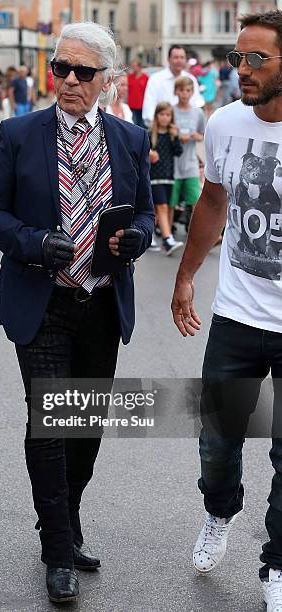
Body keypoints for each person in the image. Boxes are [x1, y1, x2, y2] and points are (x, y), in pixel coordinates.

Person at [0, 21, 154, 604]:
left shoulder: (129, 139)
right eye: (61, 69)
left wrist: (135, 240)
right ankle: (57, 550)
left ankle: (66, 518)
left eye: (83, 72)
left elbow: (146, 217)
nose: (70, 81)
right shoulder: (21, 133)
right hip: (43, 300)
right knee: (50, 425)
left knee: (84, 427)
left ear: (106, 79)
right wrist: (32, 242)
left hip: (101, 301)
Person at [171, 10, 282, 612]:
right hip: (237, 316)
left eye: (257, 58)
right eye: (239, 57)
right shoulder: (224, 124)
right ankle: (220, 511)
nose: (243, 69)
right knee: (217, 442)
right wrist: (186, 275)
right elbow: (213, 200)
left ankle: (278, 566)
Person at [170, 76, 205, 232]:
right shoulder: (170, 111)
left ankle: (195, 231)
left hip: (191, 163)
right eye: (181, 90)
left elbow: (201, 135)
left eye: (188, 90)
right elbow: (164, 131)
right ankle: (168, 232)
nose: (185, 94)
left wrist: (194, 136)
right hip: (173, 164)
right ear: (176, 91)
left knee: (195, 200)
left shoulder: (198, 113)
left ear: (192, 93)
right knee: (171, 201)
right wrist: (176, 135)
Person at [148, 101, 183, 255]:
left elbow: (178, 152)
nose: (164, 118)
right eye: (162, 114)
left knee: (158, 210)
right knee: (161, 206)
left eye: (168, 115)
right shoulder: (149, 134)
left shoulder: (171, 134)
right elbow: (142, 153)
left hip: (168, 177)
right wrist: (149, 153)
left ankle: (148, 238)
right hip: (154, 178)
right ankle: (167, 239)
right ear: (156, 116)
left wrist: (175, 137)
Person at [142, 45, 204, 126]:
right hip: (162, 130)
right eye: (176, 57)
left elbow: (195, 103)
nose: (179, 61)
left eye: (182, 57)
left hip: (187, 131)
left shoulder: (191, 79)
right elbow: (149, 108)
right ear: (168, 59)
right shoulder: (156, 79)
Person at [127, 58, 148, 127]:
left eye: (134, 66)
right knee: (133, 125)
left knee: (142, 126)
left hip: (142, 106)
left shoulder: (145, 78)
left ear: (139, 67)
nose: (133, 68)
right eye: (132, 66)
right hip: (131, 106)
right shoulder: (129, 77)